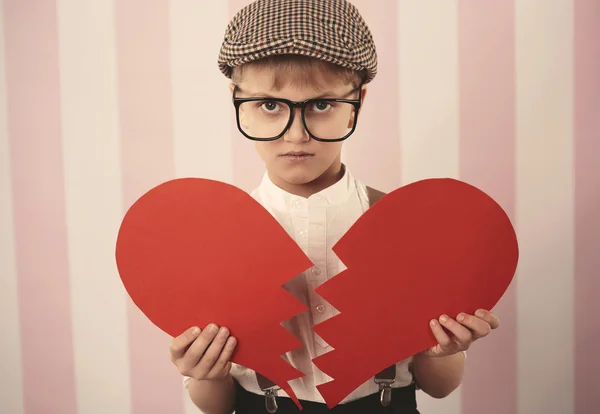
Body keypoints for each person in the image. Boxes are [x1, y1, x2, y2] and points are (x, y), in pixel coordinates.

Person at [169, 1, 500, 413]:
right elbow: (216, 406)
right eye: (270, 105)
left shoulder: (403, 229)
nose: (295, 134)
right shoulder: (217, 240)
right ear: (237, 99)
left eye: (320, 105)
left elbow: (439, 388)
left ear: (355, 104)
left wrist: (442, 350)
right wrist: (208, 372)